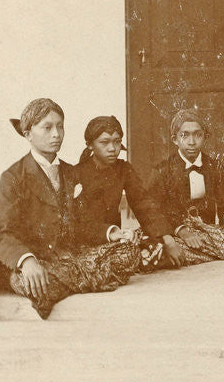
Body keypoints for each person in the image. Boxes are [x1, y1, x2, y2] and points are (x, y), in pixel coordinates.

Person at [0, 98, 140, 319]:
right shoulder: (13, 177)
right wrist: (26, 260)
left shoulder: (71, 173)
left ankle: (62, 285)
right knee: (28, 279)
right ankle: (82, 280)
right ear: (28, 133)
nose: (56, 134)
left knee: (129, 251)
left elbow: (82, 222)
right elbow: (0, 233)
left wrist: (112, 233)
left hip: (71, 256)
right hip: (39, 260)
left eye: (60, 126)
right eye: (47, 127)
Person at [147, 108, 224, 263]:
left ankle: (207, 252)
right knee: (158, 242)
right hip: (179, 233)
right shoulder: (162, 170)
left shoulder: (214, 166)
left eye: (198, 135)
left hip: (208, 231)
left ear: (205, 137)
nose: (192, 142)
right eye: (184, 135)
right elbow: (154, 210)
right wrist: (182, 232)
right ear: (175, 139)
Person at [73, 115, 180, 270]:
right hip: (87, 241)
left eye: (117, 142)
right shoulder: (77, 174)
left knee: (157, 247)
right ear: (90, 145)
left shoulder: (123, 169)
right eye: (104, 142)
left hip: (116, 240)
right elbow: (76, 222)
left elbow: (143, 203)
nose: (112, 148)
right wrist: (109, 232)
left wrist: (168, 239)